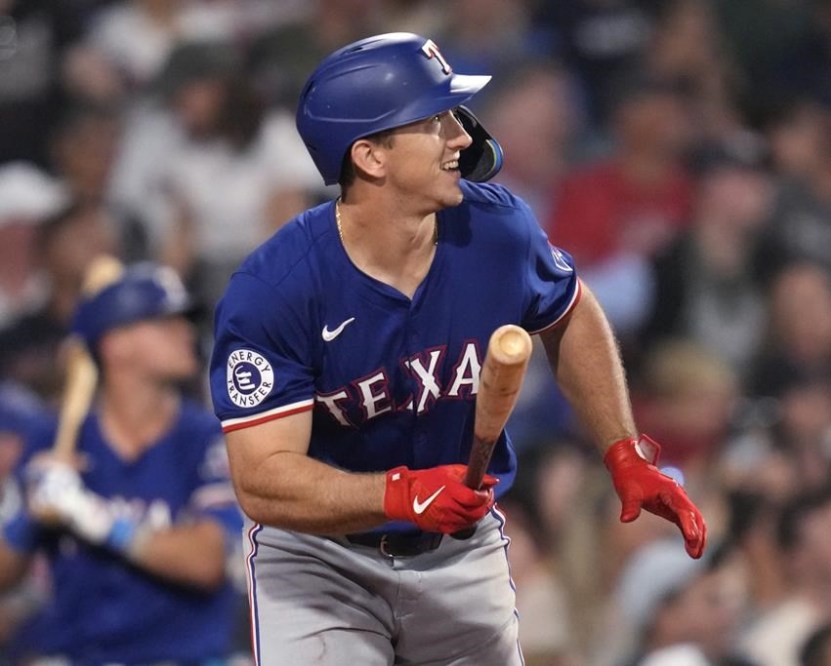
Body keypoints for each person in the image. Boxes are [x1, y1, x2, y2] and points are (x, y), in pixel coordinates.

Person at [209, 32, 706, 664]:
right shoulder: (275, 291)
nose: (463, 138)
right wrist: (399, 494)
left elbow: (572, 315)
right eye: (434, 121)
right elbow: (262, 481)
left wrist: (623, 449)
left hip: (460, 547)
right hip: (321, 560)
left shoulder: (497, 228)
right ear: (371, 157)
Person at [0, 262, 244, 663]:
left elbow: (207, 562)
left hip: (186, 656)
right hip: (81, 654)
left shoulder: (206, 439)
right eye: (166, 323)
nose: (186, 333)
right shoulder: (55, 441)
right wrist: (29, 515)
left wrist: (85, 512)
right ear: (116, 344)